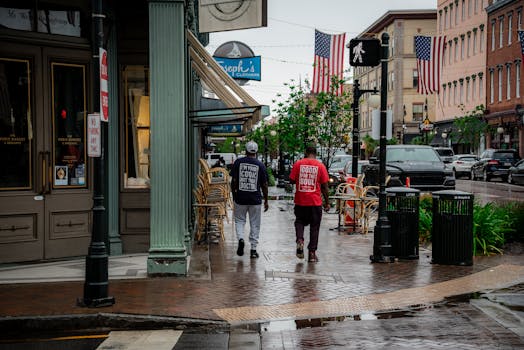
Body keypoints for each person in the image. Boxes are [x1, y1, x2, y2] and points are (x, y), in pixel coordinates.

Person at [289, 146, 330, 262]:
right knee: (315, 227)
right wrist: (327, 202)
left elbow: (291, 180)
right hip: (315, 202)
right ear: (315, 154)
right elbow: (325, 187)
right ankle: (312, 254)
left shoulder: (298, 164)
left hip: (300, 201)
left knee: (299, 221)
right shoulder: (320, 166)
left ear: (305, 152)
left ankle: (300, 240)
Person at [230, 141, 269, 259]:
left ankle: (241, 239)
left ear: (246, 151)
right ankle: (253, 249)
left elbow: (234, 181)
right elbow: (265, 184)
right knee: (255, 224)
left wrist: (234, 195)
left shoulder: (238, 162)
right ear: (256, 152)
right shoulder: (260, 165)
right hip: (255, 199)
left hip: (240, 198)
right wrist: (266, 200)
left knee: (240, 221)